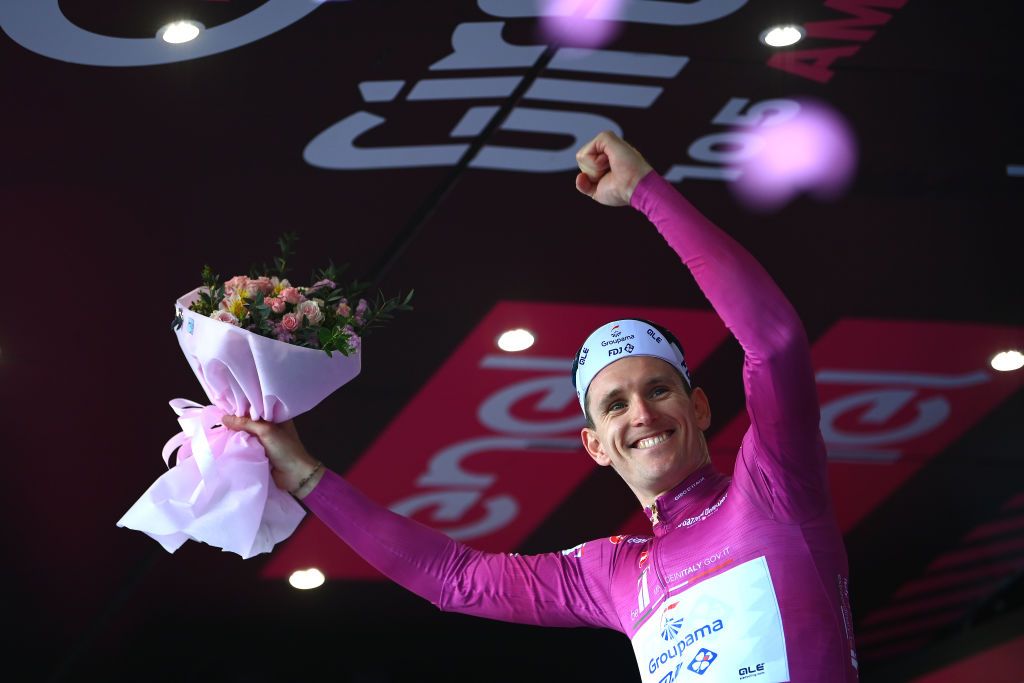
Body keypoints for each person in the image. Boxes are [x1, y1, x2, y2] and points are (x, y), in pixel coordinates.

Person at [223, 131, 858, 682]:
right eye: (614, 406)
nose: (640, 412)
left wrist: (646, 192)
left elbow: (772, 343)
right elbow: (457, 581)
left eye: (658, 389)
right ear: (595, 445)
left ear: (698, 406)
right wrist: (306, 477)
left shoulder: (772, 488)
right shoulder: (612, 572)